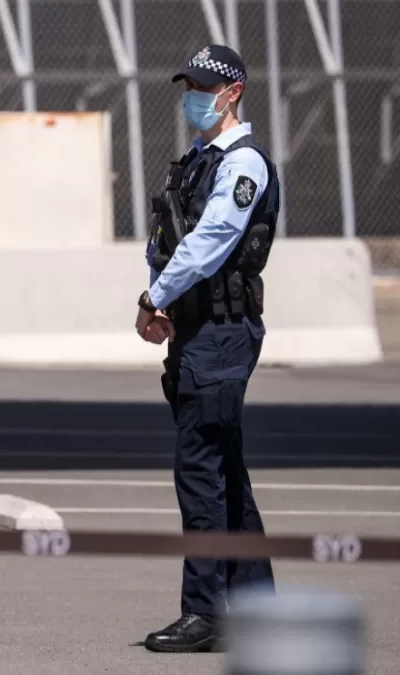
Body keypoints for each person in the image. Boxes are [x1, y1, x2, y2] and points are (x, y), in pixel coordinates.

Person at [135, 44, 279, 653]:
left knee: (200, 475)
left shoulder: (243, 165)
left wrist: (154, 296)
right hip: (198, 333)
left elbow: (215, 238)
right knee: (223, 472)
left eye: (205, 86)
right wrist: (164, 297)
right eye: (189, 85)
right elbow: (167, 237)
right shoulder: (196, 161)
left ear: (233, 91)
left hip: (220, 335)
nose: (194, 95)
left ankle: (206, 614)